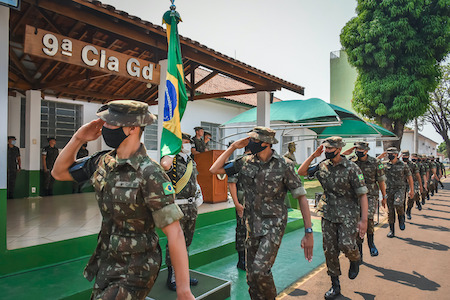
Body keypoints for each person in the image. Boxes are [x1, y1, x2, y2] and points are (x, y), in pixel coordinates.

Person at [51, 100, 194, 300]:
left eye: (111, 123)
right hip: (106, 259)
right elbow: (59, 172)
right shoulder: (103, 161)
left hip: (137, 266)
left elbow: (175, 232)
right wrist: (78, 138)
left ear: (133, 128)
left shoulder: (150, 173)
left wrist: (184, 291)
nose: (104, 127)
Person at [209, 126, 314, 300]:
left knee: (260, 270)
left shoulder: (284, 165)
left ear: (266, 143)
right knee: (252, 276)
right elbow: (214, 169)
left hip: (273, 226)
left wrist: (308, 231)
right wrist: (233, 147)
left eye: (254, 140)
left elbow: (301, 197)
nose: (250, 142)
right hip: (252, 225)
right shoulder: (245, 161)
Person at [298, 136, 368, 300]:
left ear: (339, 149)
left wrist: (364, 220)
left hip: (348, 214)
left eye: (330, 149)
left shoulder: (352, 168)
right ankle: (335, 286)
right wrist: (313, 156)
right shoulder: (322, 166)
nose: (327, 151)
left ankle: (355, 258)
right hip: (328, 213)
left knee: (346, 244)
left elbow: (363, 195)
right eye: (326, 148)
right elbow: (301, 172)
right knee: (330, 251)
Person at [160, 133, 202, 291]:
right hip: (177, 206)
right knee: (175, 243)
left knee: (186, 243)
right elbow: (164, 165)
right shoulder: (171, 159)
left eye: (188, 142)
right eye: (184, 142)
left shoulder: (190, 160)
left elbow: (194, 180)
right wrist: (172, 150)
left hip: (191, 207)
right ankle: (172, 277)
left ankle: (182, 275)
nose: (187, 145)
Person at [342, 141, 386, 259]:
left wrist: (384, 196)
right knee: (356, 221)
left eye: (360, 150)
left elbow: (381, 181)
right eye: (356, 150)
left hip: (370, 194)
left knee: (368, 217)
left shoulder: (376, 163)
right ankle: (359, 251)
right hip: (355, 195)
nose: (358, 152)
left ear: (366, 151)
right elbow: (339, 160)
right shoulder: (351, 161)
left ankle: (371, 243)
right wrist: (346, 152)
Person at [227, 145, 251, 271]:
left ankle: (248, 258)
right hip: (243, 202)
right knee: (242, 230)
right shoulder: (239, 162)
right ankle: (241, 260)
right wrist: (237, 204)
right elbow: (231, 183)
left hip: (253, 203)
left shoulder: (256, 161)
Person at [381, 147, 414, 238]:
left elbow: (409, 177)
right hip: (389, 190)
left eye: (391, 154)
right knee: (390, 211)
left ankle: (401, 217)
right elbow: (373, 164)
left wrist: (412, 189)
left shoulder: (403, 165)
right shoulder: (384, 165)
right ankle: (392, 230)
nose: (389, 155)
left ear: (396, 154)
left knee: (398, 204)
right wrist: (380, 157)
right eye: (388, 154)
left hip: (400, 189)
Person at [402, 151, 423, 220]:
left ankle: (408, 211)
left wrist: (421, 185)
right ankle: (402, 215)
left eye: (405, 156)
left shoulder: (413, 165)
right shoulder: (399, 164)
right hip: (401, 184)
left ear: (408, 156)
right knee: (402, 200)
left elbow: (418, 175)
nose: (404, 157)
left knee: (411, 197)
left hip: (411, 183)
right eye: (403, 156)